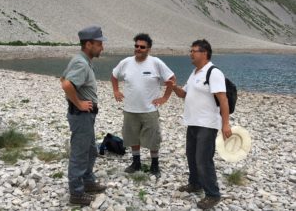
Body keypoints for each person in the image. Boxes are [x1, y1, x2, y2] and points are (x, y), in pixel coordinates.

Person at [166, 39, 232, 210]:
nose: (191, 54)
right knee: (191, 155)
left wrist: (226, 124)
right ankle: (195, 183)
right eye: (191, 50)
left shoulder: (213, 72)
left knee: (203, 160)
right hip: (193, 122)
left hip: (207, 124)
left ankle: (213, 194)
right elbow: (184, 94)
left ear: (205, 53)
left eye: (194, 51)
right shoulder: (195, 72)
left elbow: (223, 100)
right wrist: (174, 87)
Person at [111, 33, 175, 176]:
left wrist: (164, 97)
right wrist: (116, 91)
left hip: (149, 109)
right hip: (130, 109)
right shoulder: (126, 62)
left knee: (153, 138)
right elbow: (114, 75)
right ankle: (136, 162)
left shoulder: (156, 63)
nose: (138, 49)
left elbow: (172, 79)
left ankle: (154, 164)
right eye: (136, 46)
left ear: (149, 49)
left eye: (142, 47)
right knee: (132, 136)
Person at [61, 26, 107, 206]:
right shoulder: (81, 62)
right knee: (80, 154)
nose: (102, 47)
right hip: (81, 116)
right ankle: (76, 194)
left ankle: (88, 181)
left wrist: (78, 100)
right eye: (99, 44)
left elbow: (62, 78)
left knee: (91, 150)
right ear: (88, 44)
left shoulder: (80, 60)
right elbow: (66, 84)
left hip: (84, 116)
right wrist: (79, 103)